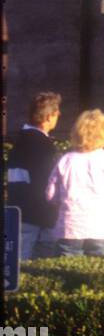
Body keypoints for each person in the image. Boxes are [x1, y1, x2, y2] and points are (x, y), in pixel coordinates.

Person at [45, 109, 104, 257]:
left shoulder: (66, 160)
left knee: (68, 276)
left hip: (70, 229)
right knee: (100, 277)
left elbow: (50, 195)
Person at [7, 92, 62, 259]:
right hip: (40, 214)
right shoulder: (43, 145)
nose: (58, 116)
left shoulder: (20, 140)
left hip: (19, 209)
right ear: (48, 116)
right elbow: (46, 183)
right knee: (42, 265)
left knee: (19, 262)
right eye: (56, 113)